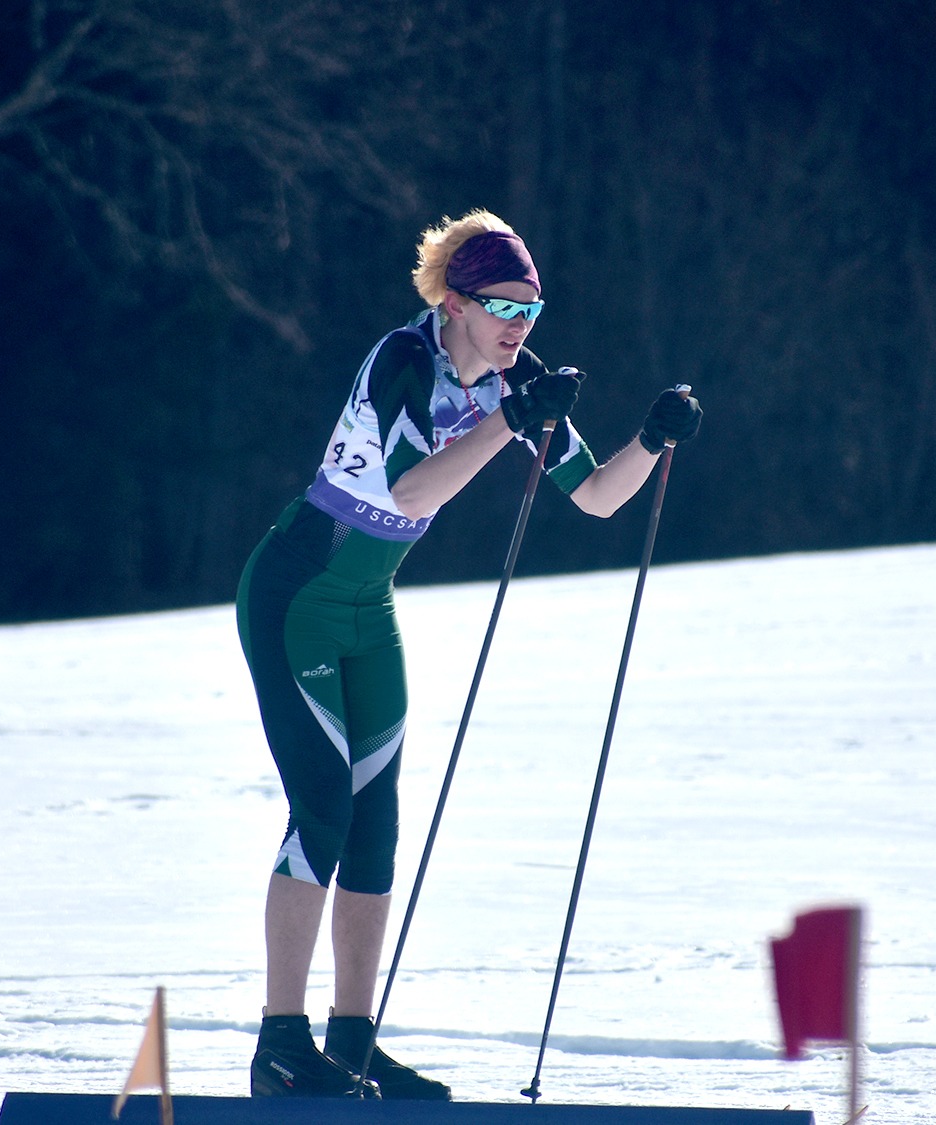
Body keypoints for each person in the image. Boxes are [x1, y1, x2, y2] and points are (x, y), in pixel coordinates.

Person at [235, 210, 702, 1099]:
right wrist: (507, 420)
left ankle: (352, 1042)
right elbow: (411, 490)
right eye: (503, 307)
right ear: (455, 302)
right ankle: (280, 1044)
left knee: (375, 827)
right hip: (295, 593)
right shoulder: (403, 359)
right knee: (322, 810)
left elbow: (598, 497)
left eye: (532, 309)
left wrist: (652, 436)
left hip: (367, 603)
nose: (519, 326)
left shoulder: (515, 380)